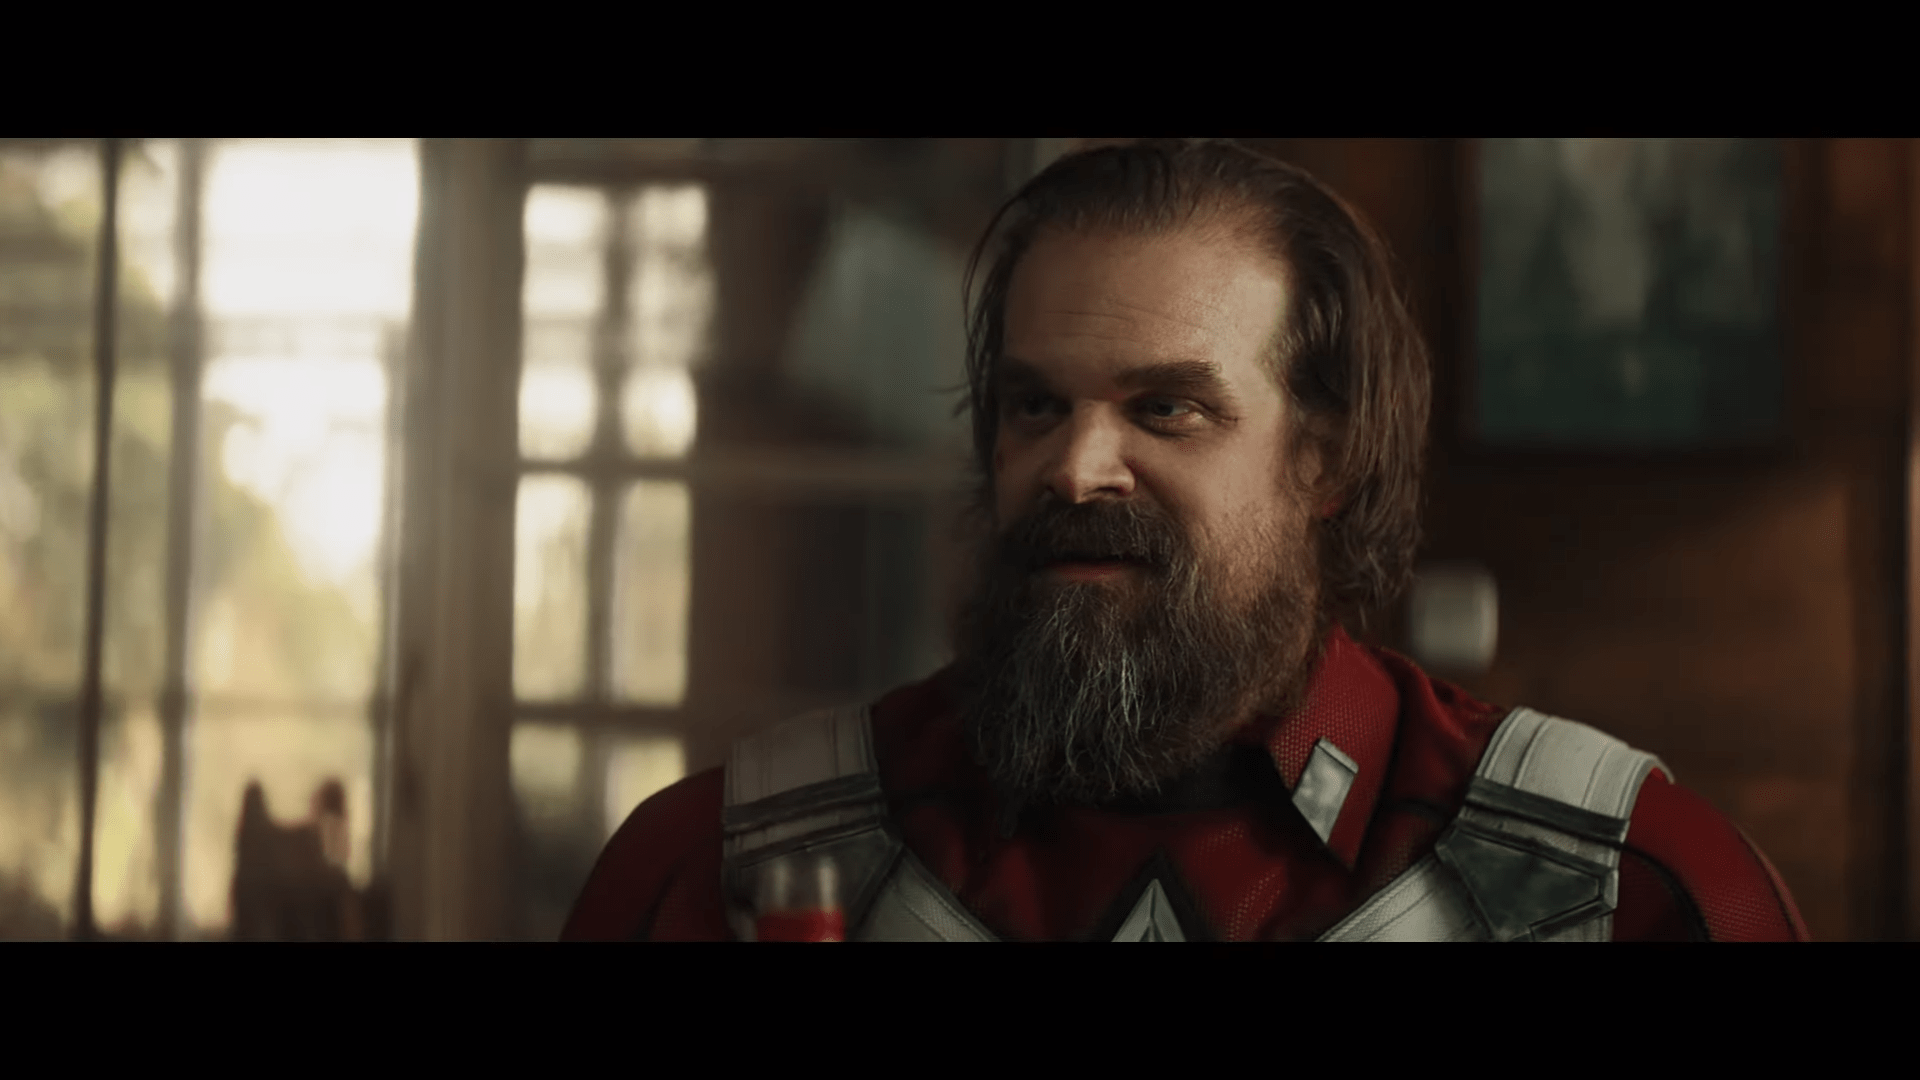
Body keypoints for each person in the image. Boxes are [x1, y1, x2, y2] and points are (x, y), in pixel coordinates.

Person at [561, 139, 1809, 942]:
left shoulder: (1622, 894)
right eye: (1034, 406)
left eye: (1165, 408)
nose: (1074, 467)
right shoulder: (718, 879)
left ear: (1325, 461)